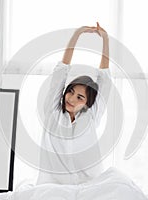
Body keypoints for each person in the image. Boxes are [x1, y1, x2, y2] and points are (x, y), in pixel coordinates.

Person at [36, 22, 111, 185]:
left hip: (89, 185)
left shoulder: (91, 116)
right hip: (53, 186)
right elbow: (61, 71)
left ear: (87, 103)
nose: (71, 99)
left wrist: (105, 39)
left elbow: (105, 80)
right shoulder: (53, 112)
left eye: (80, 98)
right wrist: (77, 34)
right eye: (70, 92)